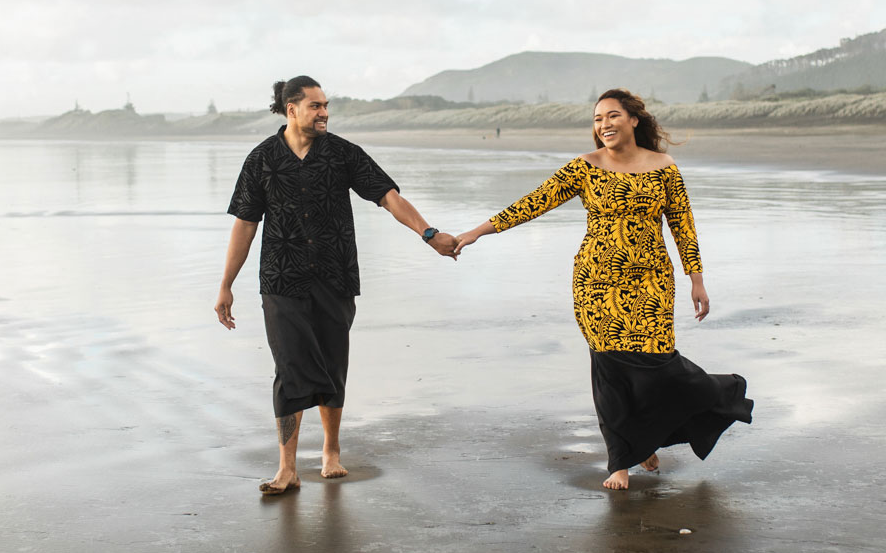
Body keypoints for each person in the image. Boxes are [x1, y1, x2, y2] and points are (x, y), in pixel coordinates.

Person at [452, 88, 752, 490]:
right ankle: (621, 460)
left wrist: (696, 279)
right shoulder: (585, 167)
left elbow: (683, 224)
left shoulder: (663, 167)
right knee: (610, 368)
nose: (604, 124)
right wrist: (476, 233)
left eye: (612, 116)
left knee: (656, 367)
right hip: (596, 282)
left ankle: (705, 402)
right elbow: (531, 203)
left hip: (651, 282)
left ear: (632, 120)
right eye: (597, 119)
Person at [217, 75, 460, 494]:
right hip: (281, 278)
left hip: (335, 275)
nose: (324, 112)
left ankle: (331, 450)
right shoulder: (261, 159)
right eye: (315, 106)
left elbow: (388, 197)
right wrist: (226, 284)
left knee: (332, 363)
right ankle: (287, 468)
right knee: (289, 368)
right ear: (291, 110)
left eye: (326, 105)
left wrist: (428, 233)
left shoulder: (343, 153)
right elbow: (245, 223)